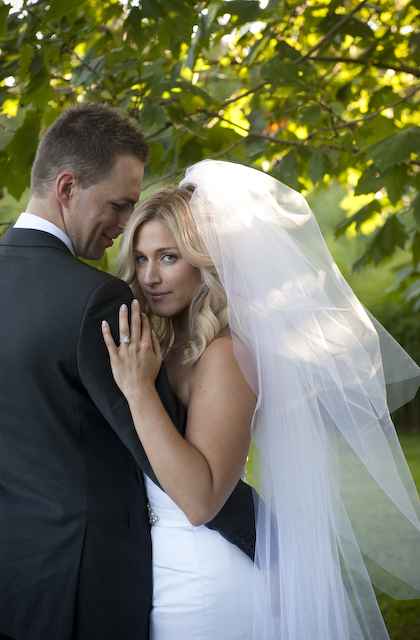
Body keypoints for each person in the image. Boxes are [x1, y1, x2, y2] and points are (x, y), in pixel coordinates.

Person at [104, 160, 420, 640]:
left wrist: (138, 391)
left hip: (208, 577)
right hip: (163, 567)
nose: (150, 276)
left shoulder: (227, 357)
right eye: (142, 258)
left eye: (169, 257)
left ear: (206, 260)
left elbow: (201, 500)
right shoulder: (168, 349)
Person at [0, 107, 255, 640]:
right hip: (90, 578)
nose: (120, 228)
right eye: (118, 206)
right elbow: (168, 467)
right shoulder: (95, 300)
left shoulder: (217, 353)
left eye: (167, 257)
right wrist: (268, 537)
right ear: (67, 187)